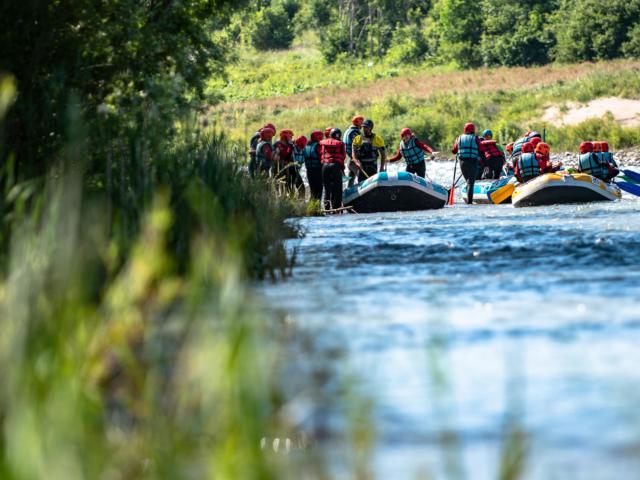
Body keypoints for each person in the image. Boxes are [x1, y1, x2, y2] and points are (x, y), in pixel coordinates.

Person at [452, 122, 485, 204]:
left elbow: (454, 151)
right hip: (473, 162)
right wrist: (484, 161)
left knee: (468, 181)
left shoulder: (459, 138)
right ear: (473, 130)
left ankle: (468, 201)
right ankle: (470, 203)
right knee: (471, 182)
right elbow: (482, 150)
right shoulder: (475, 138)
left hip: (462, 162)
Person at [320, 128, 347, 211]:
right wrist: (342, 169)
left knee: (327, 188)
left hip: (325, 166)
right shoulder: (341, 144)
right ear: (338, 135)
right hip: (335, 166)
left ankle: (327, 208)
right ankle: (337, 208)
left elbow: (322, 154)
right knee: (337, 188)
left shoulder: (323, 143)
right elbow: (343, 157)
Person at [343, 115, 364, 187]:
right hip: (354, 159)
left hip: (349, 159)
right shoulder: (355, 132)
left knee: (351, 177)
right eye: (361, 122)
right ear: (358, 123)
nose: (362, 124)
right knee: (362, 178)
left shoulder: (347, 130)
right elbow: (359, 146)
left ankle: (348, 193)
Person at [304, 130, 324, 201]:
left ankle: (312, 209)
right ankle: (317, 210)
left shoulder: (306, 146)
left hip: (309, 171)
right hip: (317, 171)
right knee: (319, 191)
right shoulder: (318, 146)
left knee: (313, 192)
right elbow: (322, 158)